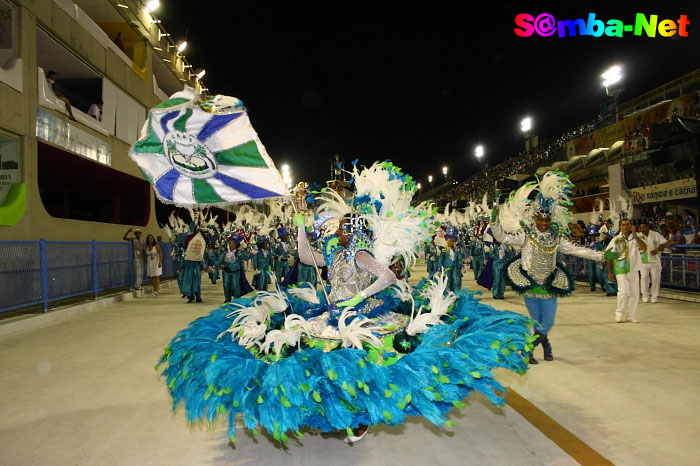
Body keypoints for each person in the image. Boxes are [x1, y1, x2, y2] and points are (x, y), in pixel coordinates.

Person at [157, 162, 532, 447]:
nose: (335, 229)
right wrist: (301, 216)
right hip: (334, 313)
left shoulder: (362, 254)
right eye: (336, 227)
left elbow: (388, 277)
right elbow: (305, 257)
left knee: (363, 366)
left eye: (341, 227)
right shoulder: (334, 255)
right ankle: (326, 409)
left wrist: (360, 296)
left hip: (365, 315)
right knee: (314, 357)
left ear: (354, 230)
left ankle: (357, 414)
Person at [491, 172, 605, 364]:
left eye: (547, 220)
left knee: (548, 321)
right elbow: (502, 237)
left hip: (549, 284)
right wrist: (494, 221)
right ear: (535, 219)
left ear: (550, 221)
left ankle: (529, 346)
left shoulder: (556, 238)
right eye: (540, 220)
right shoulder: (526, 236)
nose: (543, 223)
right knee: (537, 322)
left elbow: (577, 250)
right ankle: (546, 345)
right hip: (529, 284)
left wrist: (601, 255)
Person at [606, 219, 647, 323]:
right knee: (623, 292)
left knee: (634, 293)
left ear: (631, 226)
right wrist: (609, 272)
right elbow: (608, 255)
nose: (625, 227)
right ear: (620, 227)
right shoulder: (616, 239)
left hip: (633, 269)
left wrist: (635, 235)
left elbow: (644, 248)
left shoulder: (637, 237)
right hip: (620, 269)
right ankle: (619, 313)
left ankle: (631, 315)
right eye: (623, 225)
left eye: (627, 225)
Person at [639, 223, 666, 304]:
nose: (642, 229)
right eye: (641, 227)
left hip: (655, 261)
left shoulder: (655, 234)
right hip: (643, 261)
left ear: (647, 227)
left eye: (643, 227)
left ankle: (654, 296)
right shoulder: (638, 236)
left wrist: (657, 250)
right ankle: (645, 296)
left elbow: (663, 243)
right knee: (644, 278)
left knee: (655, 279)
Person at [221, 234, 251, 302]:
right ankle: (227, 300)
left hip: (236, 272)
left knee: (235, 286)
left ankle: (236, 300)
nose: (231, 244)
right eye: (230, 243)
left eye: (233, 243)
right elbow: (219, 261)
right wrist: (213, 267)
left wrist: (251, 254)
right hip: (226, 271)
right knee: (226, 285)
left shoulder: (239, 253)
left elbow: (245, 258)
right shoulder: (225, 253)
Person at [182, 228, 206, 303]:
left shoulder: (202, 240)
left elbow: (202, 253)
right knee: (188, 281)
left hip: (196, 264)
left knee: (196, 282)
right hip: (189, 264)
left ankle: (197, 295)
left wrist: (202, 265)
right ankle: (190, 296)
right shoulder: (189, 238)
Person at [437, 225, 463, 293]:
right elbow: (440, 260)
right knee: (447, 283)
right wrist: (439, 269)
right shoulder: (443, 250)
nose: (451, 242)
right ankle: (447, 295)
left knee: (456, 282)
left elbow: (459, 259)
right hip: (446, 269)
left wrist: (462, 266)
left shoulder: (457, 250)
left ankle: (456, 295)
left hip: (455, 269)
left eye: (452, 241)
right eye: (450, 241)